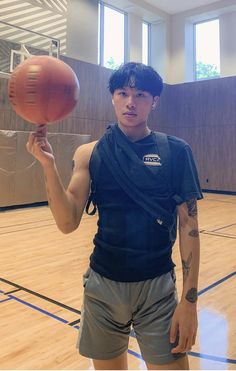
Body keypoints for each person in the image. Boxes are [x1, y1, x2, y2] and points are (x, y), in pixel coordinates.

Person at [27, 62, 203, 370]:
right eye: (122, 93)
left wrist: (189, 303)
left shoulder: (176, 152)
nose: (130, 102)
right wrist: (47, 165)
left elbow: (190, 228)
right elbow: (67, 222)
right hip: (102, 288)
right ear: (113, 97)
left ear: (155, 100)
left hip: (157, 290)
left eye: (141, 94)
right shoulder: (90, 154)